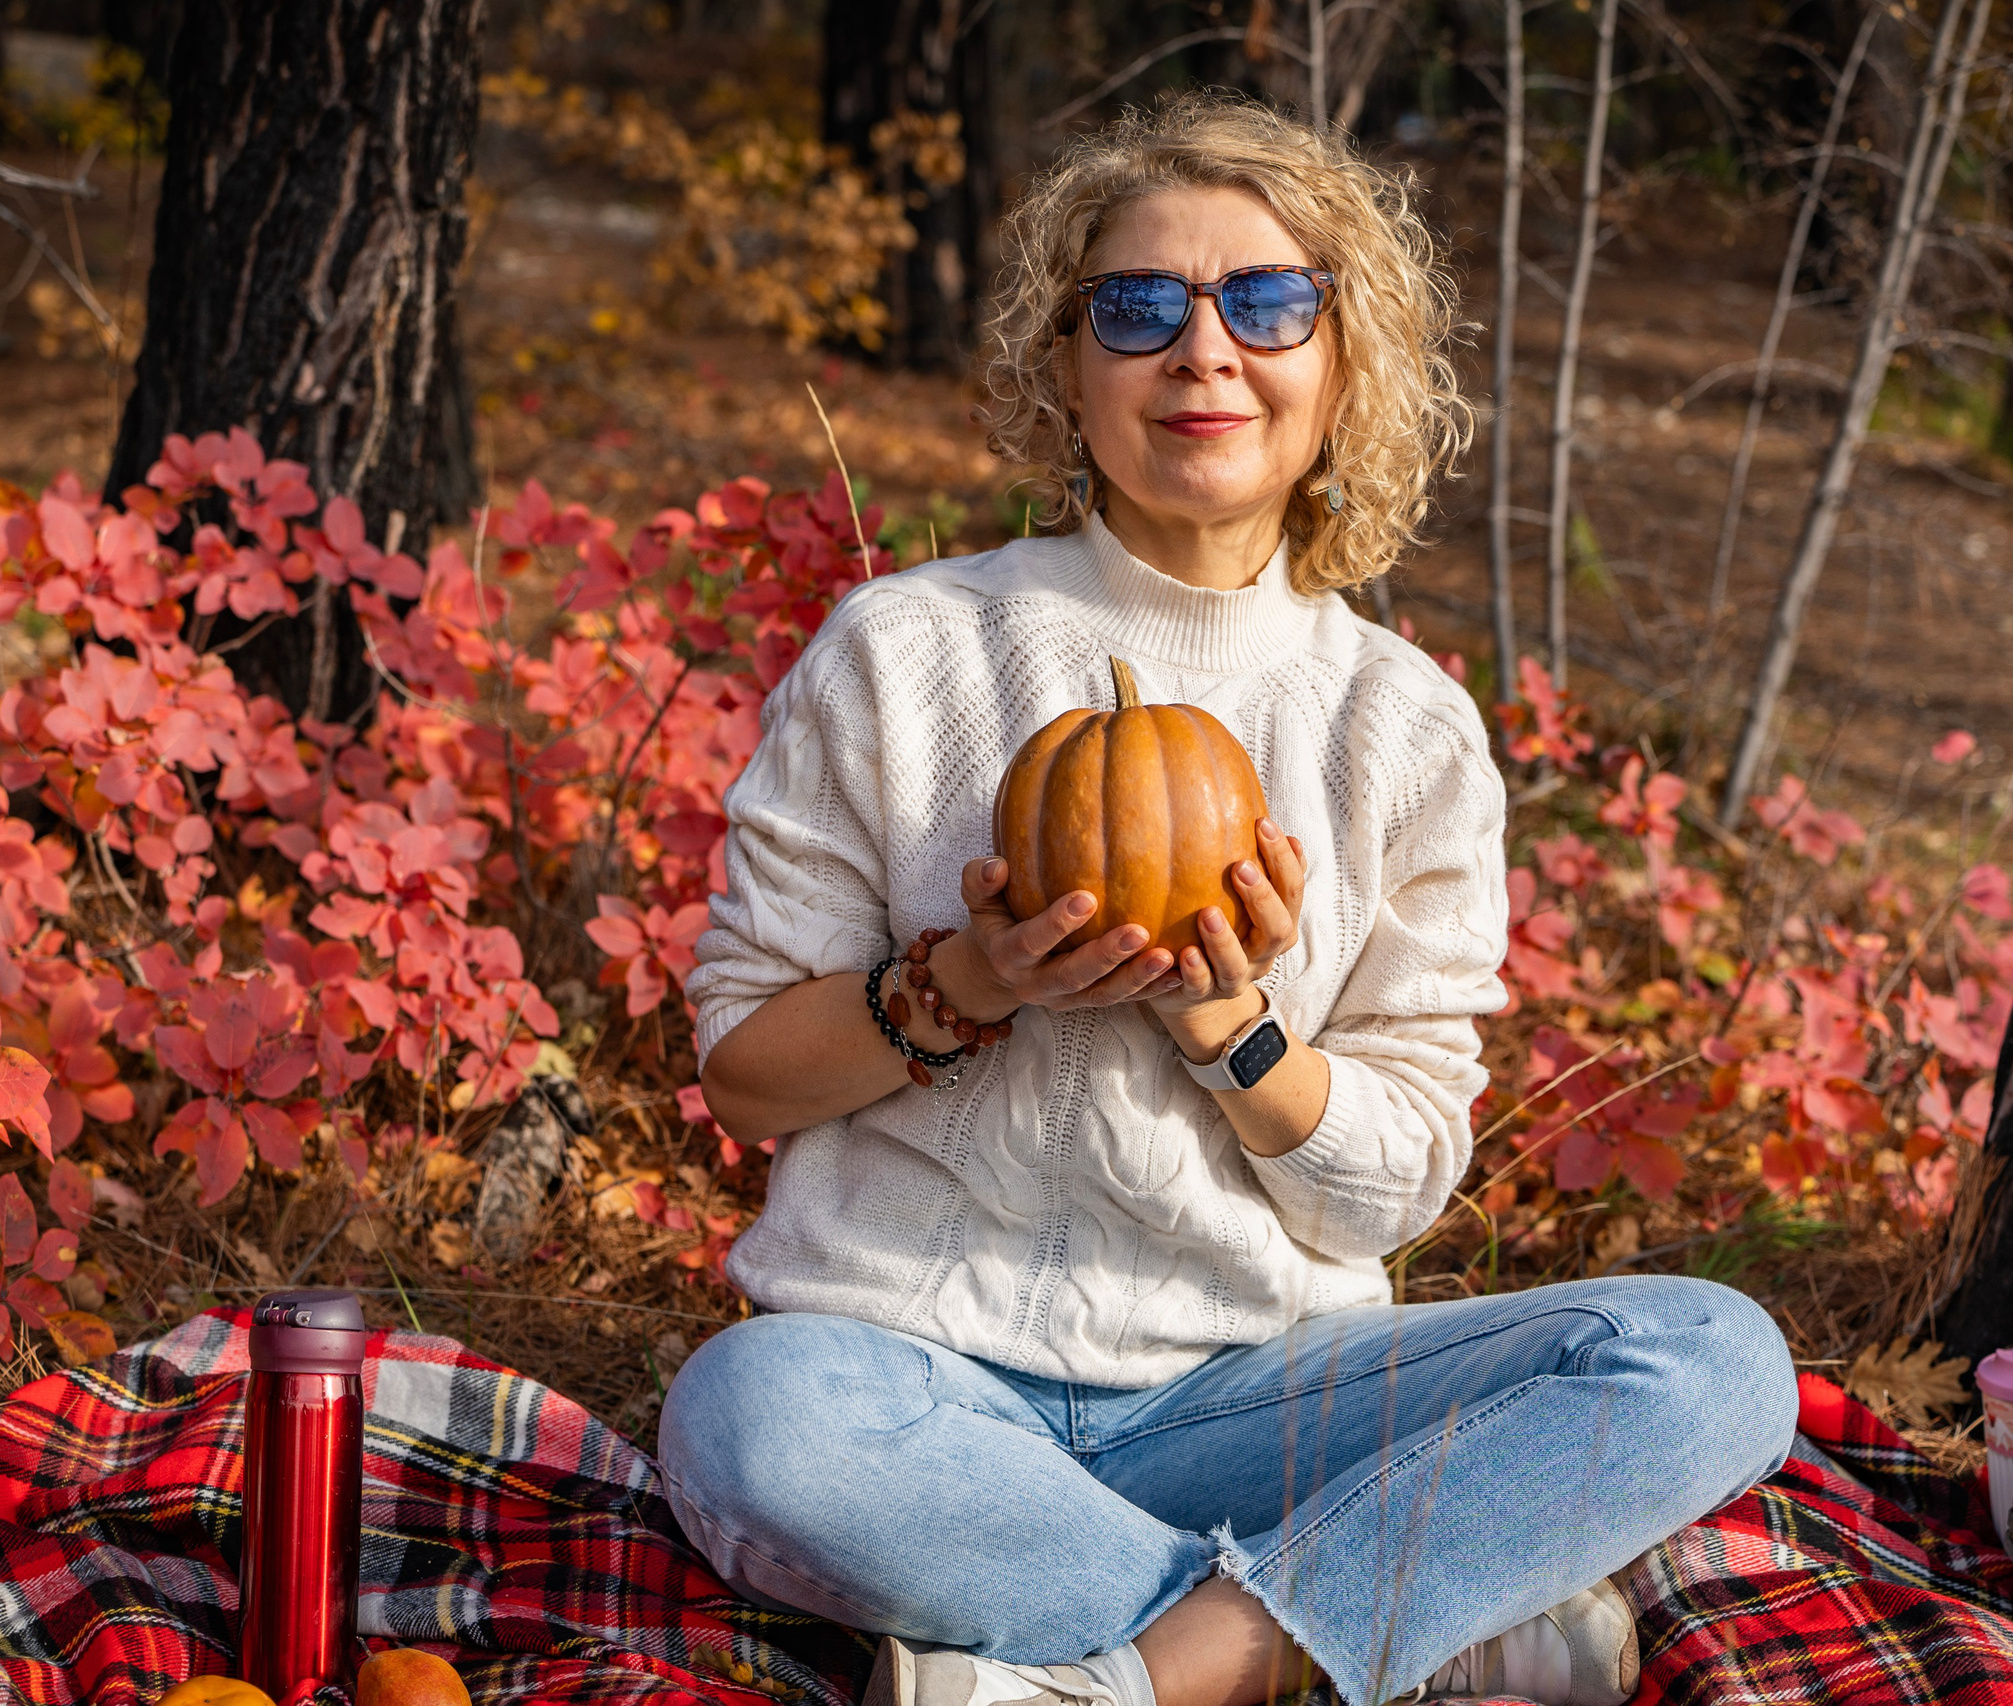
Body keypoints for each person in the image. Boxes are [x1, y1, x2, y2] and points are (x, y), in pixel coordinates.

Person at [664, 91, 1796, 1706]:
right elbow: (743, 1072)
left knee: (1714, 1361)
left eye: (1267, 303)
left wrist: (1232, 1027)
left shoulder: (1404, 726)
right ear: (1068, 367)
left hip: (1260, 1401)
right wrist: (963, 986)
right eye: (1139, 307)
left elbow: (1392, 1187)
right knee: (749, 1421)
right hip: (907, 1381)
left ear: (1343, 367)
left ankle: (1126, 1683)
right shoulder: (904, 655)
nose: (1204, 352)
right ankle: (1388, 1630)